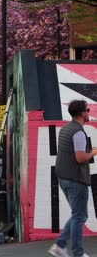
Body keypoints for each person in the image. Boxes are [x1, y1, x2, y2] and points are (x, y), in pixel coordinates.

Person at [48, 100, 97, 257]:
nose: (89, 112)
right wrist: (94, 152)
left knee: (78, 214)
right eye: (88, 110)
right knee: (80, 216)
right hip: (76, 180)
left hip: (64, 177)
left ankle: (60, 245)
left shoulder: (65, 129)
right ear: (83, 113)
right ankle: (77, 253)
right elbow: (81, 158)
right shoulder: (78, 132)